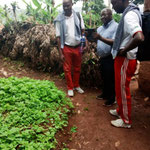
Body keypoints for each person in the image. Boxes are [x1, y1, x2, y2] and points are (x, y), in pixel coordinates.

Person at [109, 0, 144, 128]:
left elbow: (139, 37)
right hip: (124, 59)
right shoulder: (130, 12)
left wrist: (124, 50)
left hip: (125, 59)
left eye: (114, 4)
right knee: (119, 87)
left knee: (123, 89)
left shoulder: (129, 15)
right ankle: (120, 110)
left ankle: (126, 120)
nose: (113, 7)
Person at [54, 0, 86, 97]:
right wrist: (60, 52)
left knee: (77, 67)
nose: (66, 8)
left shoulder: (78, 15)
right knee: (67, 69)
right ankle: (70, 87)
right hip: (67, 47)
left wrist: (84, 42)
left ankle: (76, 85)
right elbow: (58, 37)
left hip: (78, 46)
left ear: (72, 4)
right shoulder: (59, 19)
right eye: (64, 6)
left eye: (67, 6)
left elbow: (82, 30)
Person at [93, 8, 118, 106]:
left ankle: (112, 99)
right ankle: (105, 94)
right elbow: (98, 41)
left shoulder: (116, 26)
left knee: (111, 78)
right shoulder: (100, 28)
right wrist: (91, 37)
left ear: (111, 15)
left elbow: (115, 41)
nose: (102, 17)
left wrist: (100, 38)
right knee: (104, 77)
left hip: (110, 57)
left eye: (105, 15)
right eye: (101, 15)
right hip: (102, 57)